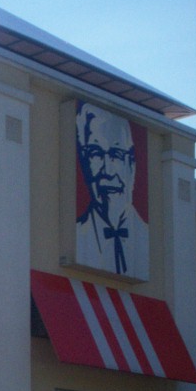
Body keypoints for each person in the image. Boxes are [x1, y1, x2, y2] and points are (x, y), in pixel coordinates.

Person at [75, 101, 149, 279]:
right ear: (84, 162)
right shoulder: (78, 236)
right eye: (96, 153)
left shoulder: (146, 238)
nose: (108, 171)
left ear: (131, 165)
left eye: (116, 155)